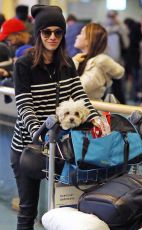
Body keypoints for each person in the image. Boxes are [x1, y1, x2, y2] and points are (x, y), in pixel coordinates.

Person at [10, 5, 106, 230]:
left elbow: (80, 96)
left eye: (58, 32)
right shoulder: (24, 64)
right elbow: (24, 105)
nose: (52, 37)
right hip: (29, 147)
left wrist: (96, 119)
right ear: (38, 34)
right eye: (46, 32)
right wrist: (40, 132)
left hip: (60, 148)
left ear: (63, 35)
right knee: (28, 210)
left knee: (62, 210)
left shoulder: (67, 64)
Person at [73, 23, 124, 100]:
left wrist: (74, 63)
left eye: (81, 33)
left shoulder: (97, 64)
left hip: (89, 110)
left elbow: (76, 89)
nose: (77, 36)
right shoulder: (79, 58)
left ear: (89, 40)